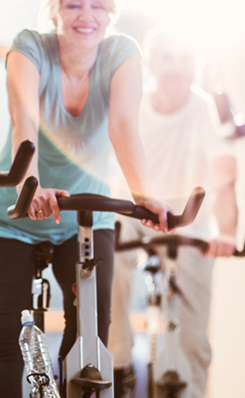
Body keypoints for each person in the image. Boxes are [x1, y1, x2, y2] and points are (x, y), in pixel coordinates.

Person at [0, 0, 171, 398]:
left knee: (87, 342)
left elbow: (122, 125)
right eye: (74, 4)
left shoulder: (122, 54)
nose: (87, 15)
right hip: (8, 217)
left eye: (98, 5)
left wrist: (143, 195)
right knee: (4, 345)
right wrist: (31, 185)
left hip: (83, 219)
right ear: (55, 12)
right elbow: (23, 120)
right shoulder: (30, 48)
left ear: (111, 14)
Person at [108, 30, 238, 398]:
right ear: (150, 63)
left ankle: (190, 387)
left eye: (186, 59)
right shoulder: (133, 106)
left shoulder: (204, 110)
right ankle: (117, 363)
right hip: (133, 212)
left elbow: (225, 179)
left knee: (193, 335)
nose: (178, 68)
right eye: (169, 58)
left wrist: (227, 233)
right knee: (104, 260)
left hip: (185, 221)